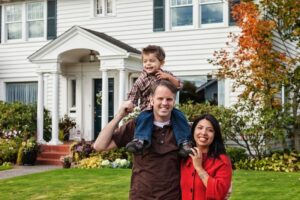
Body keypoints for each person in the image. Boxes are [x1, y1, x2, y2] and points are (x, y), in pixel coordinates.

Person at [93, 80, 182, 199]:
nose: (164, 103)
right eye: (160, 98)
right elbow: (99, 146)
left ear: (174, 101)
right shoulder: (136, 126)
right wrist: (119, 116)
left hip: (173, 196)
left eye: (169, 99)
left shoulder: (183, 130)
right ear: (151, 100)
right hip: (141, 196)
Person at [126, 44, 191, 156]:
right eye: (145, 61)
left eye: (152, 61)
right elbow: (134, 94)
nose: (148, 64)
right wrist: (130, 104)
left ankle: (184, 142)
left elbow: (179, 85)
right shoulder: (141, 80)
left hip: (165, 108)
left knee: (179, 116)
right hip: (147, 109)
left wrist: (169, 78)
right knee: (143, 119)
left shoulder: (166, 75)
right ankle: (139, 141)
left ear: (161, 63)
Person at [180, 114, 232, 200]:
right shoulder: (184, 157)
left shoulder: (222, 161)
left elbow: (219, 194)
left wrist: (199, 168)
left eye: (210, 130)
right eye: (200, 128)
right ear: (193, 131)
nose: (203, 133)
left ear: (215, 135)